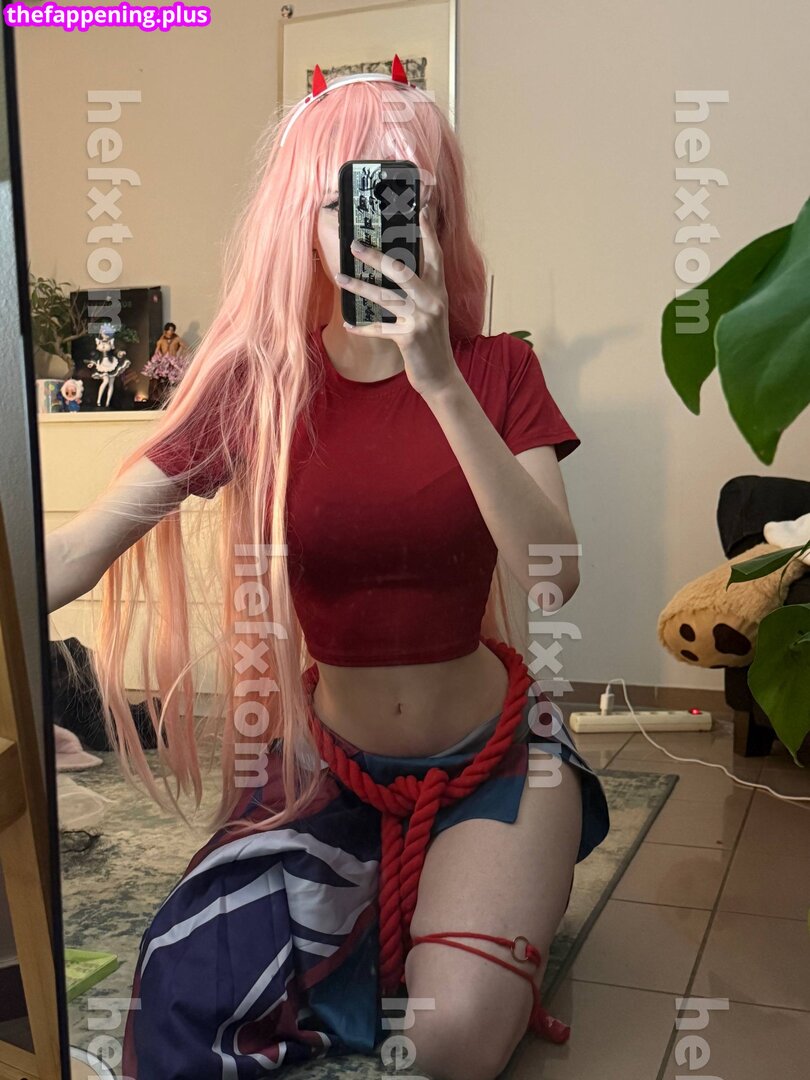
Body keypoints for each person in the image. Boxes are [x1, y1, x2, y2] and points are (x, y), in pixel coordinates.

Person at [45, 56, 610, 1080]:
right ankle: (414, 901)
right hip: (325, 770)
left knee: (447, 1038)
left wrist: (440, 383)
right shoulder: (261, 386)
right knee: (182, 992)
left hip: (493, 760)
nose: (374, 226)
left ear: (436, 215)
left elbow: (552, 577)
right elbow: (78, 552)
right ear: (304, 224)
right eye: (343, 200)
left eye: (403, 196)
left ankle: (491, 884)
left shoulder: (498, 369)